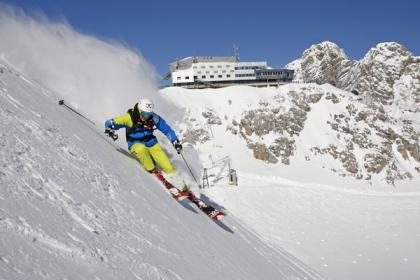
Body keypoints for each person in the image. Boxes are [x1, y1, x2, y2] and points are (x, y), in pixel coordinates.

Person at [104, 98, 182, 174]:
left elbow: (167, 129)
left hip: (151, 142)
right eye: (144, 114)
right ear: (139, 110)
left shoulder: (153, 118)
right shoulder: (130, 118)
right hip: (135, 143)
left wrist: (175, 141)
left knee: (168, 166)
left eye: (148, 114)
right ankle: (152, 169)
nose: (146, 117)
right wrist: (110, 128)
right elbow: (111, 122)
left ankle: (176, 178)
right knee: (142, 151)